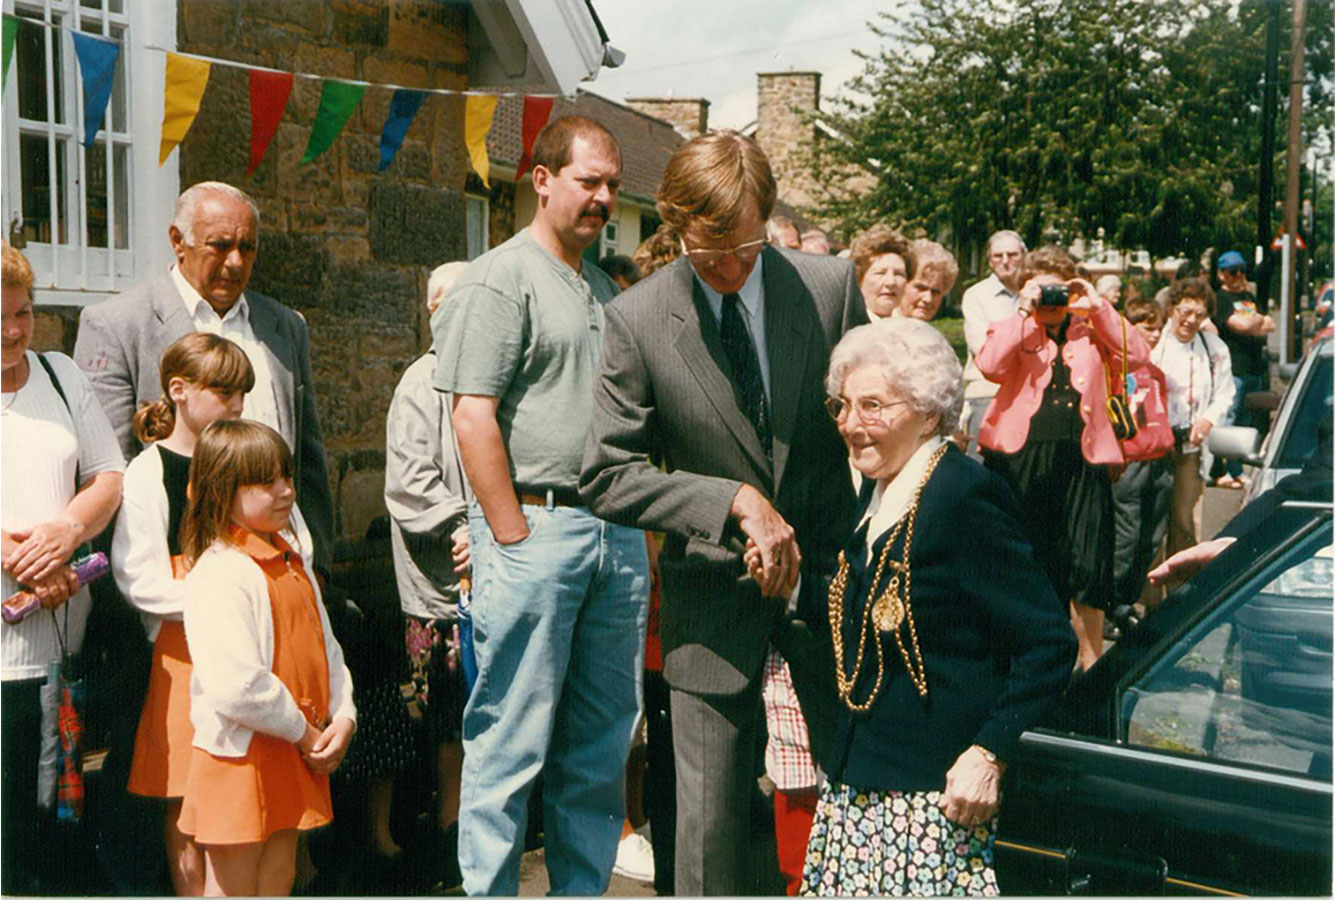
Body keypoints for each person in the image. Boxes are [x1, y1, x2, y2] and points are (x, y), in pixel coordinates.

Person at [580, 129, 866, 895]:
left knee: (863, 807)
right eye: (712, 252)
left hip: (834, 591)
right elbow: (606, 474)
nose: (735, 267)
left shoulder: (831, 287)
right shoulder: (638, 319)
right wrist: (730, 500)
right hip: (710, 600)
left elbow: (879, 429)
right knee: (706, 841)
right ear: (674, 227)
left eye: (749, 244)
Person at [431, 115, 650, 896]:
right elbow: (470, 414)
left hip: (612, 533)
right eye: (589, 181)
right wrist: (512, 534)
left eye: (613, 186)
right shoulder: (499, 278)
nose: (603, 198)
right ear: (543, 179)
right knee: (508, 741)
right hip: (537, 529)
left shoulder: (600, 287)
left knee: (599, 745)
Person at [798, 318, 1076, 897]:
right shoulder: (880, 492)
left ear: (928, 412)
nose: (851, 424)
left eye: (873, 406)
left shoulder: (960, 495)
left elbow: (1047, 642)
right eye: (843, 406)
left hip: (932, 808)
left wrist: (990, 752)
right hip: (862, 794)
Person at [73, 181, 334, 573]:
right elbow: (109, 470)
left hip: (282, 567)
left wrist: (320, 567)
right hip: (175, 575)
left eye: (247, 248)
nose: (235, 262)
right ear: (179, 241)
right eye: (220, 245)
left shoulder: (284, 326)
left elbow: (309, 462)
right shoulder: (117, 325)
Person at [112, 333, 264, 895]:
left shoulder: (240, 460)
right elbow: (139, 579)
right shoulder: (149, 472)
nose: (237, 406)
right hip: (180, 654)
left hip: (247, 648)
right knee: (186, 799)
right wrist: (218, 603)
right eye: (224, 392)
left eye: (242, 393)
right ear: (179, 391)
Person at [176, 420, 355, 896]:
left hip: (293, 747)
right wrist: (306, 732)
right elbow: (237, 685)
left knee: (279, 878)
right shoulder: (220, 573)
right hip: (242, 757)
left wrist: (345, 715)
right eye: (265, 482)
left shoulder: (293, 561)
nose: (285, 491)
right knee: (235, 886)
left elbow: (328, 649)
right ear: (222, 489)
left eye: (287, 476)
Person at [1, 242, 125, 895]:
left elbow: (109, 474)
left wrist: (67, 532)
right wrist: (18, 556)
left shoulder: (59, 376)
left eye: (23, 313)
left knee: (56, 830)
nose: (14, 331)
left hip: (60, 648)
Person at [976, 246, 1149, 670]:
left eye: (1060, 289)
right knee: (1027, 562)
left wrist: (1098, 306)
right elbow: (989, 365)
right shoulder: (1016, 326)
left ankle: (1091, 669)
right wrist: (1022, 312)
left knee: (1088, 567)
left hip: (1082, 461)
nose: (1053, 301)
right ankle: (1028, 664)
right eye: (1044, 289)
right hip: (1020, 461)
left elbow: (1140, 355)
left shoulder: (1089, 328)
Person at [383, 260, 472, 889]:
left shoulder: (492, 376)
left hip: (493, 581)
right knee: (445, 728)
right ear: (434, 313)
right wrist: (469, 526)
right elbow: (411, 484)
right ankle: (444, 850)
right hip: (440, 592)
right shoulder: (420, 383)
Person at [1150, 278, 1234, 563]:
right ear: (1172, 308)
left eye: (1199, 315)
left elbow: (1225, 393)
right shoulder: (1153, 343)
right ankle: (1146, 602)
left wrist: (1207, 421)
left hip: (1190, 448)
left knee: (1185, 522)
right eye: (1185, 311)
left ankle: (1180, 596)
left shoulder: (1215, 348)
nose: (1190, 320)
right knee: (1150, 524)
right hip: (1153, 448)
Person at [1110, 301, 1173, 616]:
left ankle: (1128, 599)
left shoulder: (1157, 372)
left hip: (1159, 460)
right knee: (1127, 536)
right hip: (1130, 461)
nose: (1156, 333)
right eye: (1148, 327)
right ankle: (1110, 602)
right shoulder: (1115, 369)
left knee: (1152, 537)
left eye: (1159, 328)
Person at [960, 230, 1026, 457]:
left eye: (1012, 254)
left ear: (1023, 256)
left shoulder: (1033, 292)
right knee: (981, 470)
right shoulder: (976, 295)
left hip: (1028, 396)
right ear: (989, 260)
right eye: (998, 256)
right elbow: (984, 352)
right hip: (987, 394)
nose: (1005, 261)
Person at [1212, 250, 1273, 489]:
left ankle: (1236, 469)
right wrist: (1256, 322)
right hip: (1233, 369)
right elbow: (1243, 324)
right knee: (1228, 418)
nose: (1238, 275)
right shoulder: (1221, 299)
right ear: (1221, 274)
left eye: (1241, 270)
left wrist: (1253, 323)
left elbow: (1269, 324)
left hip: (1252, 368)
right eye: (1232, 271)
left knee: (1243, 420)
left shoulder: (1247, 296)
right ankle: (1223, 470)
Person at [848, 225, 913, 322]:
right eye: (880, 273)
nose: (891, 282)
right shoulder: (846, 327)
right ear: (859, 278)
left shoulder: (909, 330)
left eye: (898, 274)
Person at [897, 238, 959, 321]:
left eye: (935, 292)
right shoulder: (878, 330)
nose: (928, 299)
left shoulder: (929, 333)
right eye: (921, 288)